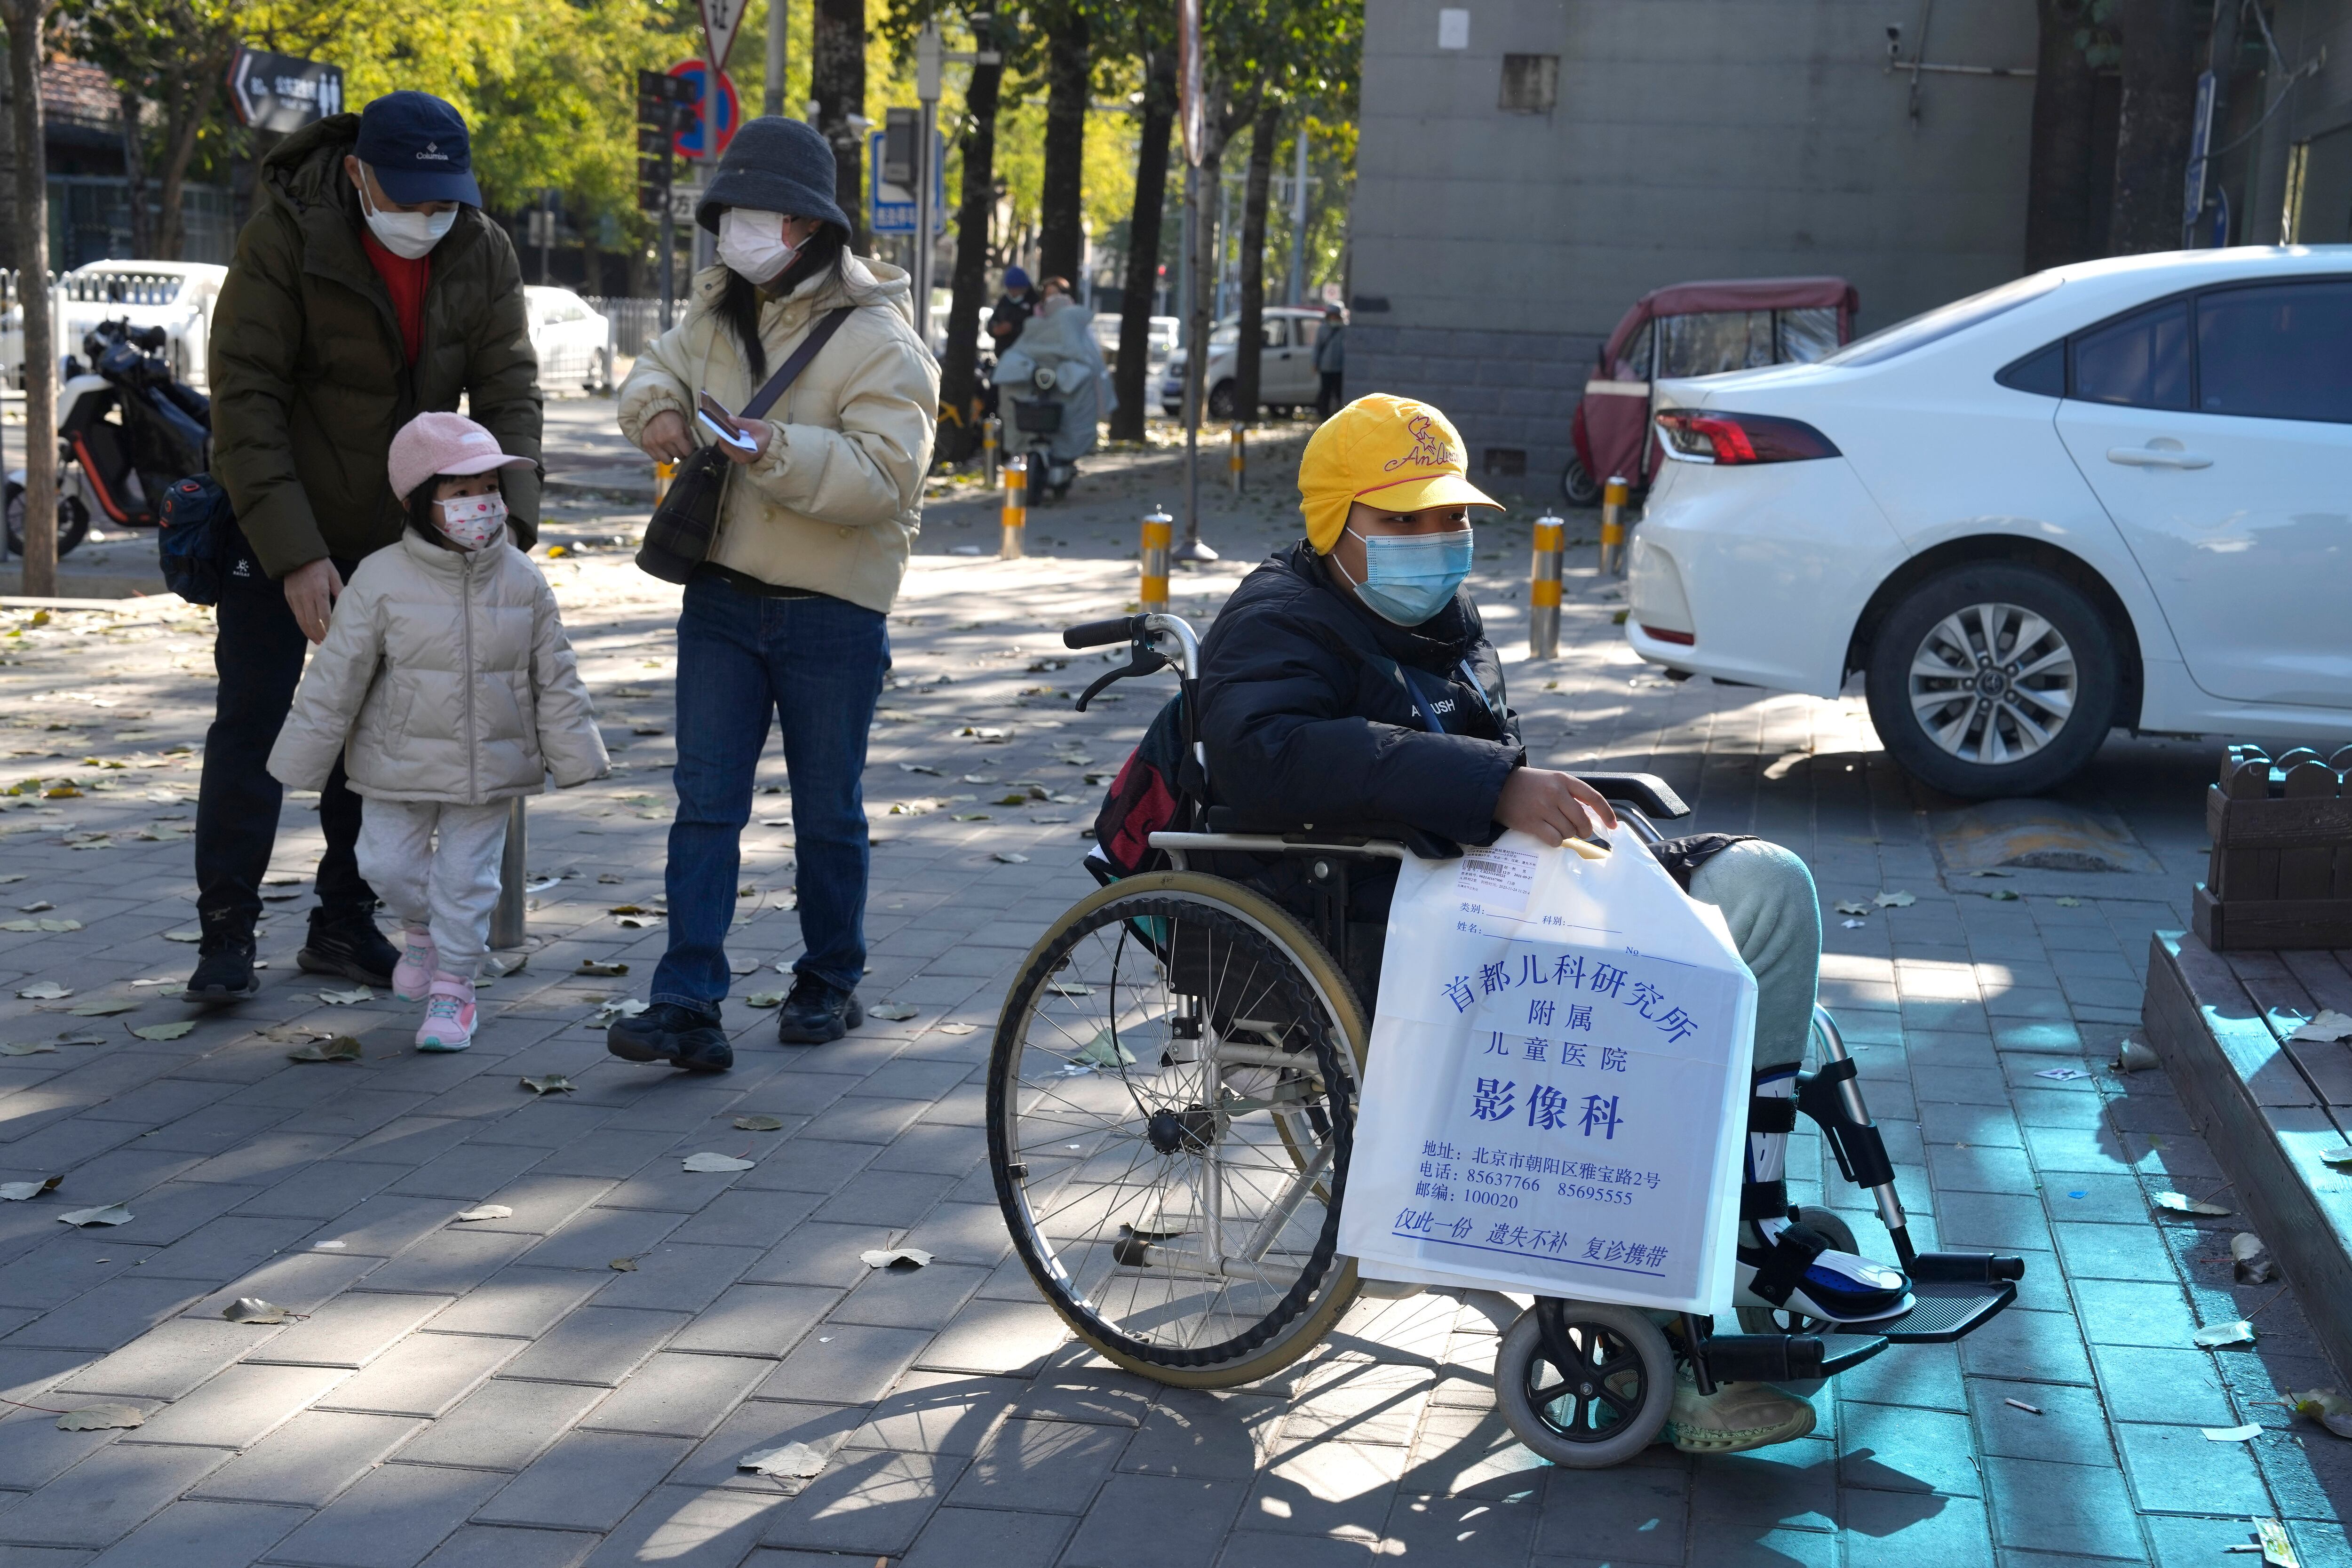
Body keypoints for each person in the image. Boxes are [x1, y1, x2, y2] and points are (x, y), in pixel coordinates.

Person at [1193, 394, 1909, 1456]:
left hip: (1497, 895)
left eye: (1450, 519)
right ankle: (1680, 1318)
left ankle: (1750, 1210)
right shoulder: (1276, 622)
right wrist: (1492, 786)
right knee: (1656, 1015)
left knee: (1767, 887)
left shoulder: (1433, 621)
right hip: (1377, 923)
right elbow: (1269, 753)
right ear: (1332, 522)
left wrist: (1527, 799)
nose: (1436, 542)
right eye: (1401, 522)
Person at [190, 90, 541, 1005]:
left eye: (445, 198)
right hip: (280, 528)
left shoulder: (482, 250)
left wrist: (508, 526)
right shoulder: (287, 238)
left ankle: (341, 920)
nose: (429, 216)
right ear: (357, 174)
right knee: (258, 724)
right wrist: (297, 556)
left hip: (402, 540)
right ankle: (225, 932)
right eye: (410, 195)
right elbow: (247, 401)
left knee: (382, 740)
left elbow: (510, 395)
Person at [613, 117, 938, 1070]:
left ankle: (829, 979)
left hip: (830, 611)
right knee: (704, 804)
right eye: (723, 216)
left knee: (825, 808)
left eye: (746, 216)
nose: (729, 234)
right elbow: (652, 371)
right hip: (718, 595)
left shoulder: (883, 339)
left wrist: (774, 450)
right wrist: (659, 410)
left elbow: (891, 476)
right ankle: (686, 1002)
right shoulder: (716, 311)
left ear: (802, 225)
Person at [266, 414, 607, 1050]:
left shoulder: (524, 582)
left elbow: (556, 675)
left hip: (491, 768)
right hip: (396, 763)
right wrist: (301, 758)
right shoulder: (380, 578)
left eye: (489, 489)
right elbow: (335, 675)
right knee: (384, 866)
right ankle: (422, 930)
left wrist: (578, 755)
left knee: (465, 881)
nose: (482, 505)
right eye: (460, 493)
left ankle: (455, 987)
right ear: (419, 504)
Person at [987, 265, 1041, 355]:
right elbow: (993, 321)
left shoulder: (1035, 302)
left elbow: (1036, 328)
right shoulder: (1005, 300)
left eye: (1016, 290)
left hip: (1024, 353)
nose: (1013, 293)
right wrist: (995, 330)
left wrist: (1013, 329)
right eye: (1010, 289)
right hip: (1003, 353)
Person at [1312, 305, 1347, 418]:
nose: (1334, 319)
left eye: (1336, 316)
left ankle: (1340, 415)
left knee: (1339, 393)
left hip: (1340, 368)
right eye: (1332, 316)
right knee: (1325, 391)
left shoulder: (1345, 329)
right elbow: (1317, 347)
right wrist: (1315, 363)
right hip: (1326, 367)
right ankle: (1323, 414)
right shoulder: (1323, 329)